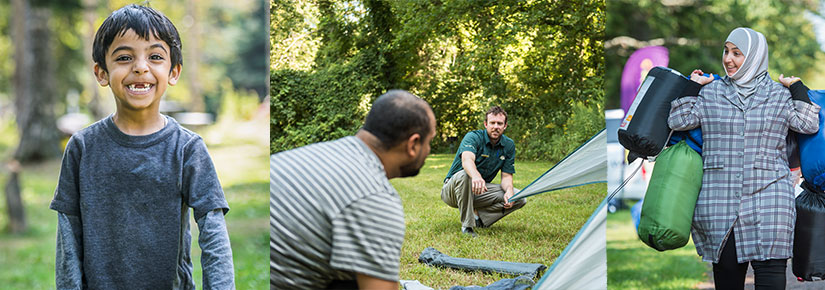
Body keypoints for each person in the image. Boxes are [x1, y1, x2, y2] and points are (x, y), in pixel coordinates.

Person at [49, 4, 234, 289]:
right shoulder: (81, 148)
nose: (140, 67)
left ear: (173, 72)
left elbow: (213, 233)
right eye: (124, 57)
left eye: (156, 56)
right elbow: (68, 236)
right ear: (101, 73)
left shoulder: (187, 149)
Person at [668, 27, 819, 289]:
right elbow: (678, 120)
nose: (728, 59)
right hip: (719, 201)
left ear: (755, 56)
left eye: (737, 53)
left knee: (771, 280)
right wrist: (693, 85)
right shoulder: (711, 93)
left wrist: (797, 87)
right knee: (727, 279)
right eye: (726, 51)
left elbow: (808, 124)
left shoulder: (779, 95)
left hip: (771, 200)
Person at [270, 90, 436, 289]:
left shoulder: (318, 153)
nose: (429, 150)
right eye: (430, 142)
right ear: (413, 144)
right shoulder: (375, 198)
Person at [442, 106, 526, 238]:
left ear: (505, 126)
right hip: (453, 190)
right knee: (465, 174)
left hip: (478, 191)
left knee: (519, 197)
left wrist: (509, 190)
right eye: (492, 123)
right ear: (486, 124)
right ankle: (467, 226)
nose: (496, 126)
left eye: (499, 123)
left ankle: (479, 220)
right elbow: (467, 160)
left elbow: (506, 177)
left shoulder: (508, 145)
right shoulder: (473, 137)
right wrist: (475, 176)